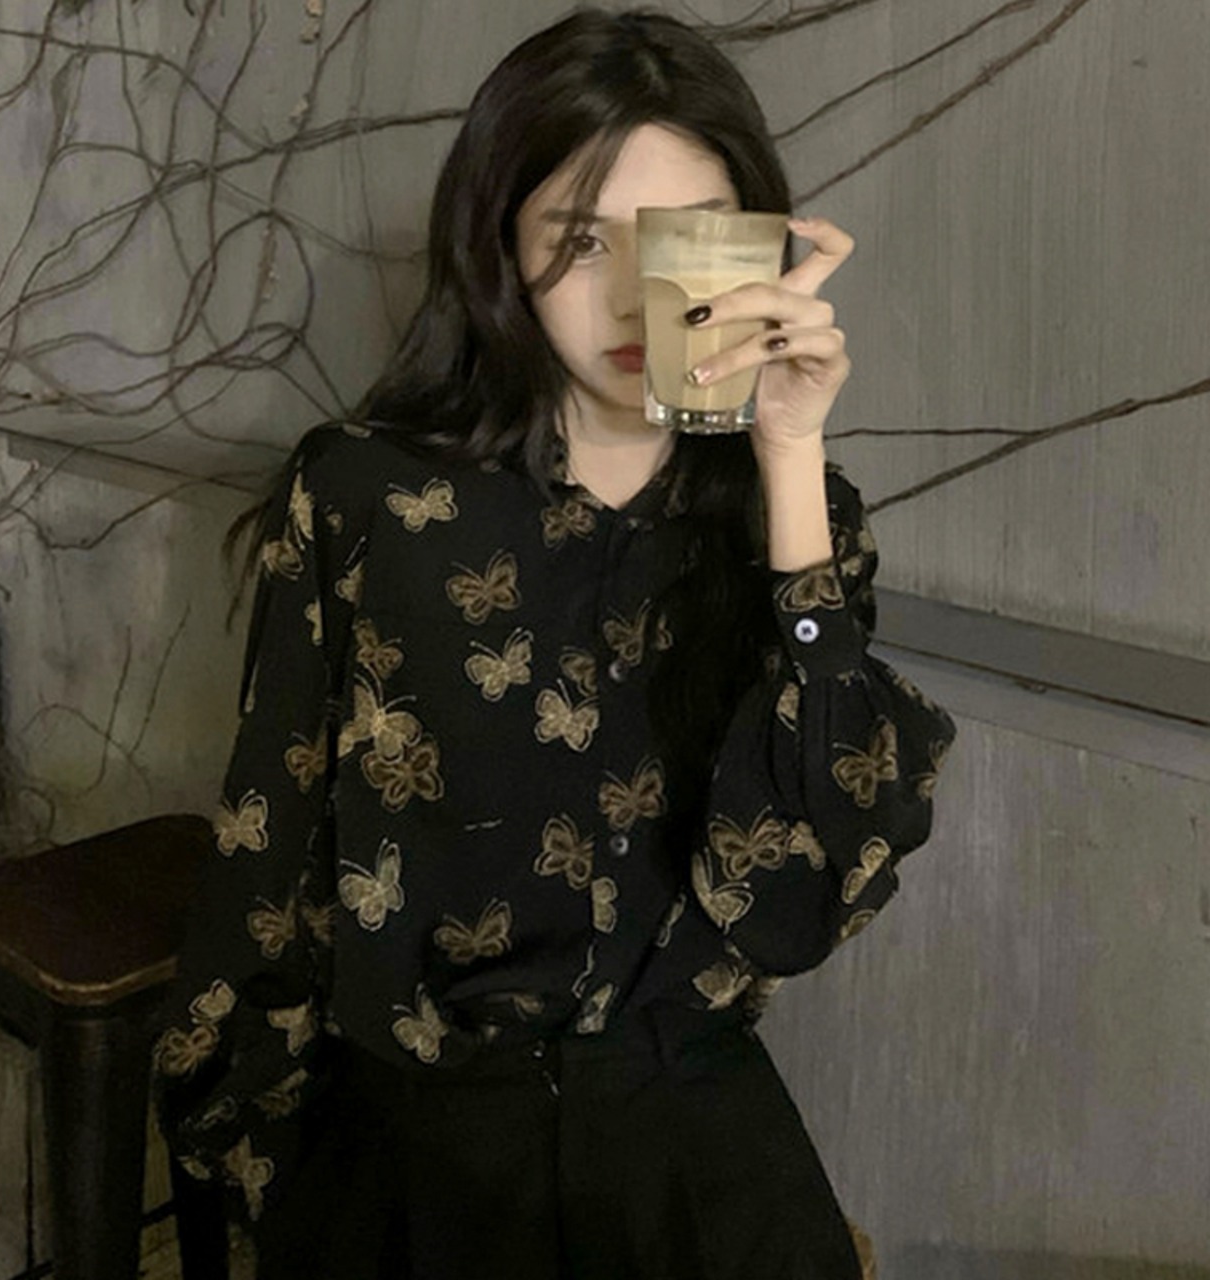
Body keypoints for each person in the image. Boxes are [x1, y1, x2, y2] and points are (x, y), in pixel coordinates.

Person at [151, 8, 957, 1278]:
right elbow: (268, 856)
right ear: (500, 252)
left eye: (683, 239)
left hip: (687, 1132)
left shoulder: (796, 518)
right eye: (581, 240)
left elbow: (806, 892)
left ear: (753, 251)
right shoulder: (369, 496)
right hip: (414, 1148)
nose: (635, 294)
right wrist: (257, 1152)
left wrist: (791, 459)